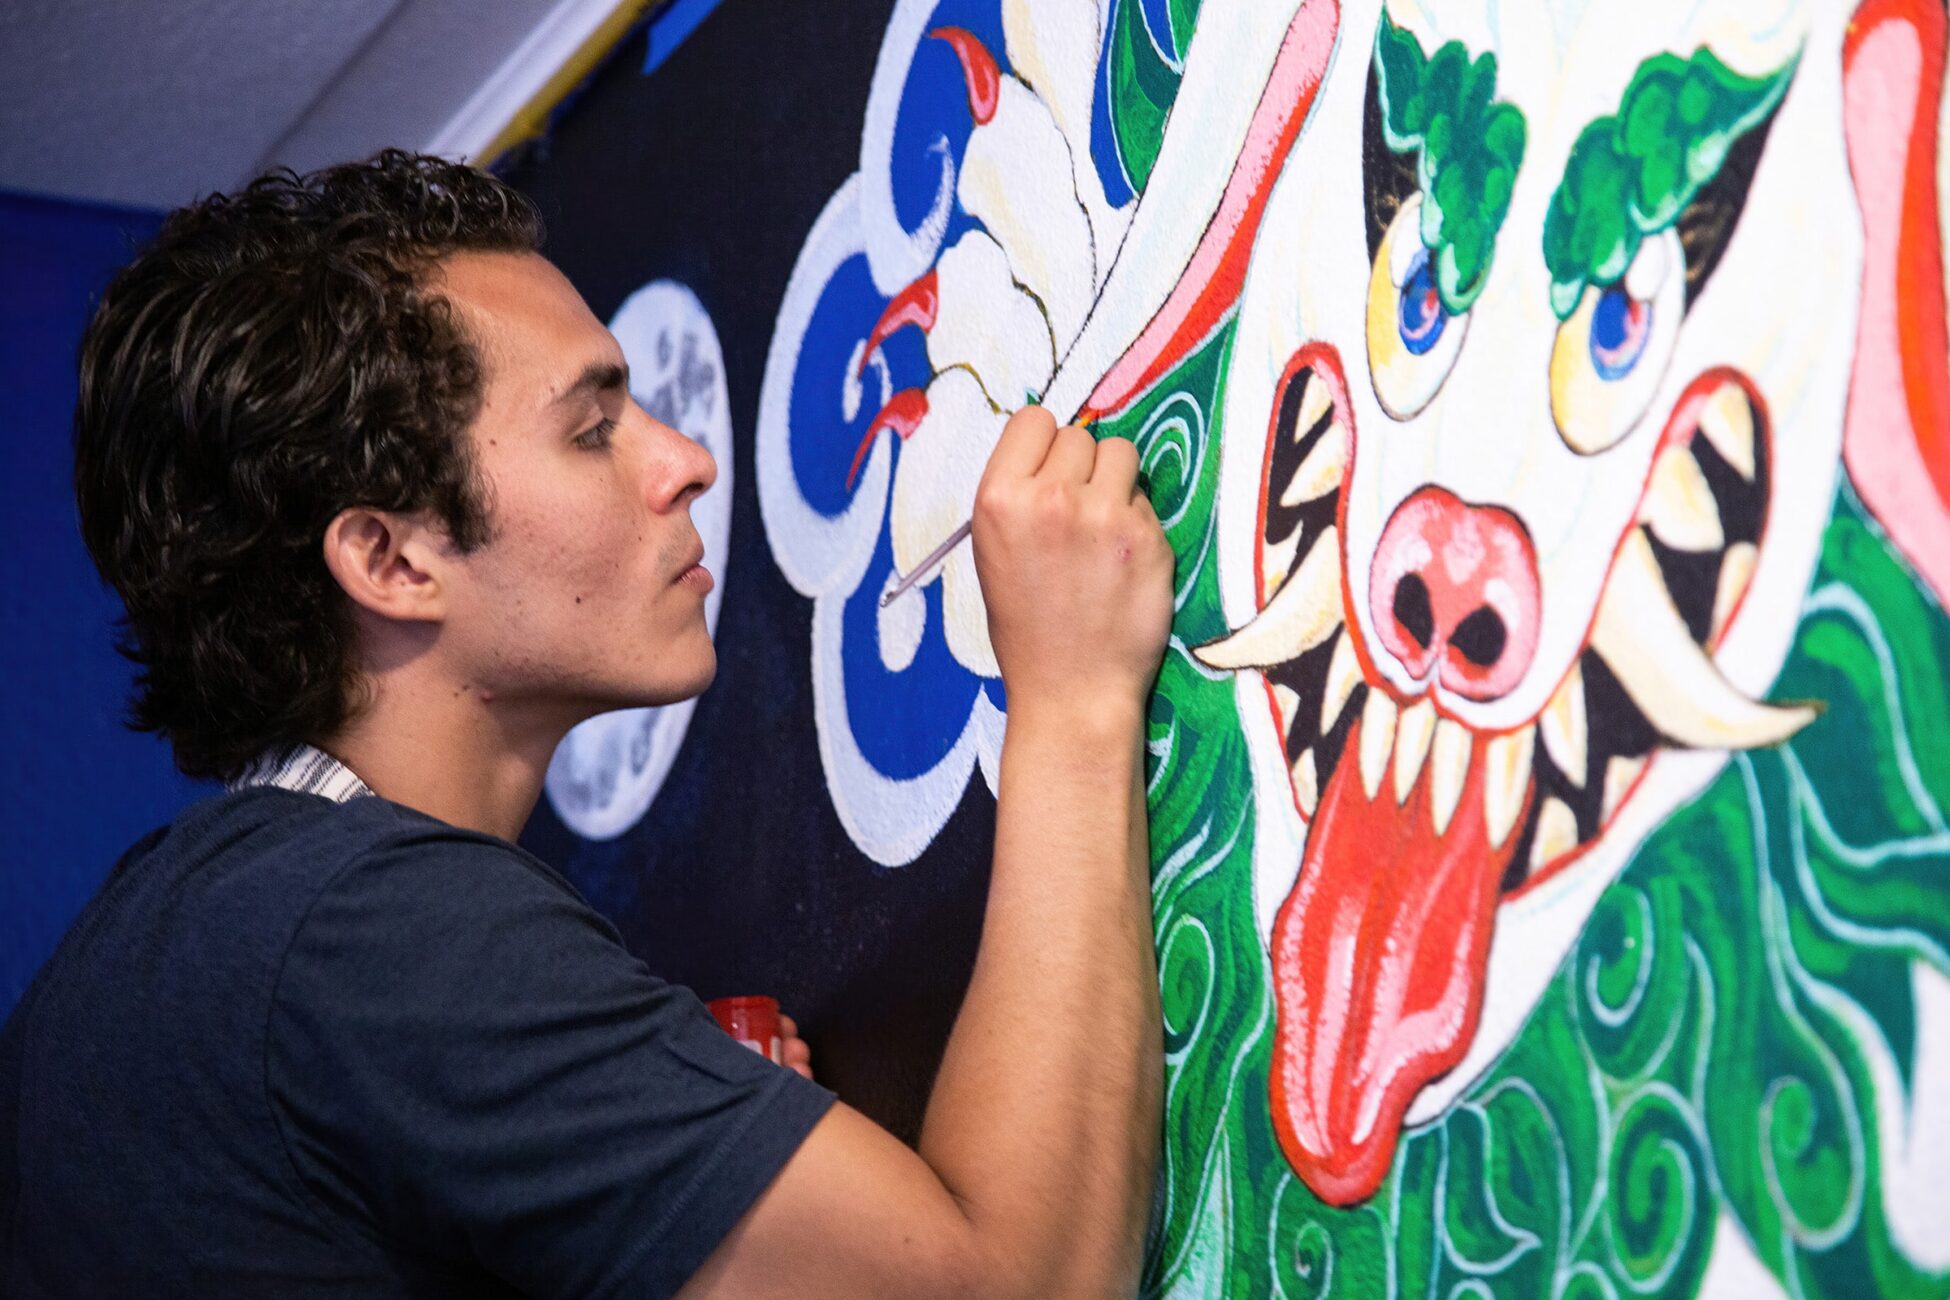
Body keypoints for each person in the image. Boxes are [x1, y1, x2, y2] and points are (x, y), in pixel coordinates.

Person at [0, 151, 1173, 1297]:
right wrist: (1073, 702)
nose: (687, 460)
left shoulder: (188, 953)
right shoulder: (371, 936)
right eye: (592, 428)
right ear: (392, 558)